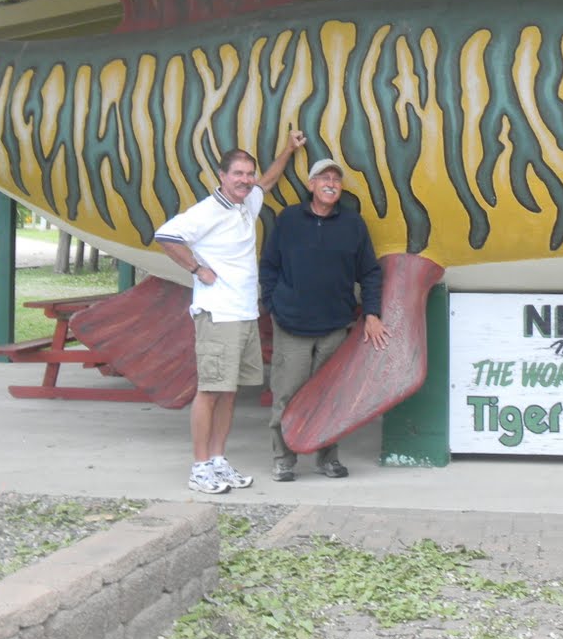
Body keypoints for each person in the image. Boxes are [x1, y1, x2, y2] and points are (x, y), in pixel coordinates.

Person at [155, 131, 306, 495]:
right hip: (218, 314)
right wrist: (197, 269)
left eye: (248, 173)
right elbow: (165, 235)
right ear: (221, 176)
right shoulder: (207, 211)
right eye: (237, 173)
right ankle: (200, 467)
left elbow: (268, 181)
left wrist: (287, 148)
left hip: (243, 314)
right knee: (210, 391)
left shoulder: (246, 203)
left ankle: (219, 460)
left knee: (230, 391)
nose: (245, 180)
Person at [260, 156, 389, 481]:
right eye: (323, 178)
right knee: (287, 393)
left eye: (335, 179)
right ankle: (283, 458)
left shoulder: (353, 224)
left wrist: (372, 313)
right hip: (291, 325)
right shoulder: (288, 220)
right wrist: (273, 303)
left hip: (334, 327)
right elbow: (269, 265)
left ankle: (327, 458)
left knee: (330, 396)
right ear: (311, 185)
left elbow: (371, 273)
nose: (330, 183)